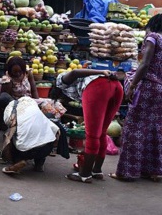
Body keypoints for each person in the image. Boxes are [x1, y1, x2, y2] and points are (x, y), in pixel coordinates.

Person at [112, 14, 162, 181]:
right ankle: (154, 171)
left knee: (134, 128)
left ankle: (127, 172)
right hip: (160, 89)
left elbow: (145, 64)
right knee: (154, 129)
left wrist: (132, 86)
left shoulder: (153, 37)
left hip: (147, 87)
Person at [50, 68, 122, 183]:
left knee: (92, 135)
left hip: (98, 87)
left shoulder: (60, 80)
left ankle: (85, 175)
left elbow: (75, 72)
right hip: (116, 86)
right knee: (102, 133)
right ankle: (96, 170)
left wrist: (100, 71)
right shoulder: (77, 87)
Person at [0, 96, 60, 174]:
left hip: (25, 151)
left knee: (10, 133)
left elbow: (9, 124)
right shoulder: (28, 100)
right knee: (43, 130)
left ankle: (18, 160)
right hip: (47, 147)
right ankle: (39, 164)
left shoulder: (8, 111)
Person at [0, 56, 39, 129]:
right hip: (16, 104)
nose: (18, 74)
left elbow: (34, 90)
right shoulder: (7, 79)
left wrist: (37, 103)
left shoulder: (28, 73)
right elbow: (5, 98)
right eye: (15, 72)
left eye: (20, 71)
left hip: (29, 102)